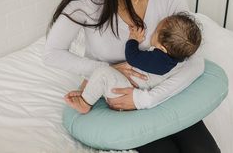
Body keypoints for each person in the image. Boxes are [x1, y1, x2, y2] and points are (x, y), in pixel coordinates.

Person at [44, 0, 220, 153]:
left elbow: (194, 60)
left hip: (161, 92)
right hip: (120, 97)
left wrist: (145, 99)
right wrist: (106, 69)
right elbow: (52, 54)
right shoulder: (86, 4)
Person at [64, 12, 202, 114]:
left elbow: (132, 57)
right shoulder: (179, 58)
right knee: (103, 77)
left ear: (162, 48)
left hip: (123, 92)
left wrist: (133, 40)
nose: (153, 32)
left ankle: (85, 102)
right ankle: (90, 92)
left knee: (102, 73)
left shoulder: (157, 60)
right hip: (129, 89)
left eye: (156, 31)